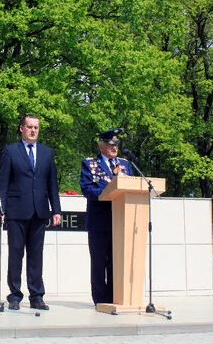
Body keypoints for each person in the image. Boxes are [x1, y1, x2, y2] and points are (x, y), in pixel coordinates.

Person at [0, 115, 61, 310]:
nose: (33, 130)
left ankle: (36, 296)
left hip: (39, 211)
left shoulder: (47, 153)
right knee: (15, 254)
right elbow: (3, 182)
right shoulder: (10, 151)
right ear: (21, 129)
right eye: (29, 127)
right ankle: (15, 295)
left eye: (36, 128)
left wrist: (56, 210)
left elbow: (52, 184)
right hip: (16, 211)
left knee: (36, 255)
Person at [79, 128, 133, 305]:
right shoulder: (90, 164)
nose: (114, 147)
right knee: (99, 261)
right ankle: (100, 300)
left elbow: (132, 187)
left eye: (116, 144)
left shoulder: (125, 164)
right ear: (101, 145)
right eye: (110, 144)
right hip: (99, 222)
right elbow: (88, 189)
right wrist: (114, 183)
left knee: (116, 262)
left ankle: (115, 297)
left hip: (121, 221)